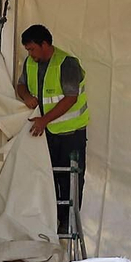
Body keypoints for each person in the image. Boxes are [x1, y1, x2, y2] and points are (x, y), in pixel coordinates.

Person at [15, 24, 91, 232]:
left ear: (45, 44)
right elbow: (21, 85)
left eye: (32, 49)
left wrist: (44, 120)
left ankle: (68, 224)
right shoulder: (30, 63)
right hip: (46, 134)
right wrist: (26, 96)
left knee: (70, 180)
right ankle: (51, 221)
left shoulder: (67, 64)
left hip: (71, 134)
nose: (30, 54)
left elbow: (70, 98)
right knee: (47, 177)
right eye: (27, 50)